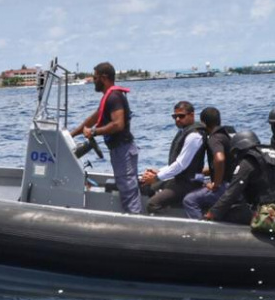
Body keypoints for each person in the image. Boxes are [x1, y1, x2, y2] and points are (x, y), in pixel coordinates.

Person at [71, 62, 141, 214]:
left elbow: (118, 124)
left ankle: (135, 223)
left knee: (128, 192)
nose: (93, 81)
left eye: (95, 78)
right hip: (118, 151)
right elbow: (93, 119)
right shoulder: (108, 97)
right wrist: (72, 134)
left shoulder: (114, 97)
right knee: (125, 189)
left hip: (123, 150)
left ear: (103, 78)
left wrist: (94, 132)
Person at [205, 131, 275, 227]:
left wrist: (213, 213)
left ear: (240, 148)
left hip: (265, 214)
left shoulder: (247, 162)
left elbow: (232, 193)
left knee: (229, 213)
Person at [140, 101, 207, 214]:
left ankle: (167, 223)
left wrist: (157, 177)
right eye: (175, 117)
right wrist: (158, 172)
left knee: (152, 204)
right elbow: (176, 163)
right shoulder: (183, 131)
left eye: (181, 116)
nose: (177, 119)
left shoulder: (194, 136)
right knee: (146, 186)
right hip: (179, 179)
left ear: (192, 115)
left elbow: (180, 165)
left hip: (189, 183)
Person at [182, 107, 233, 220]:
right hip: (234, 184)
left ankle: (200, 227)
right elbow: (226, 164)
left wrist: (216, 184)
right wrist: (202, 172)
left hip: (225, 186)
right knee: (199, 179)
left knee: (189, 200)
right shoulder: (226, 135)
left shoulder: (214, 138)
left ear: (203, 123)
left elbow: (220, 160)